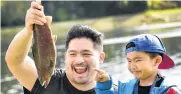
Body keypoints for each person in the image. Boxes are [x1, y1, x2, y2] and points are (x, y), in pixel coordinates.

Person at [5, 1, 105, 94]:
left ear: (100, 57)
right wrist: (29, 30)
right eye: (72, 54)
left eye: (86, 53)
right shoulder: (47, 81)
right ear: (66, 56)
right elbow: (15, 61)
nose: (79, 60)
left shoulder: (113, 90)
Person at [95, 34, 181, 94]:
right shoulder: (124, 89)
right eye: (129, 61)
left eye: (138, 60)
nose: (132, 66)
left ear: (156, 60)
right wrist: (104, 85)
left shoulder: (169, 91)